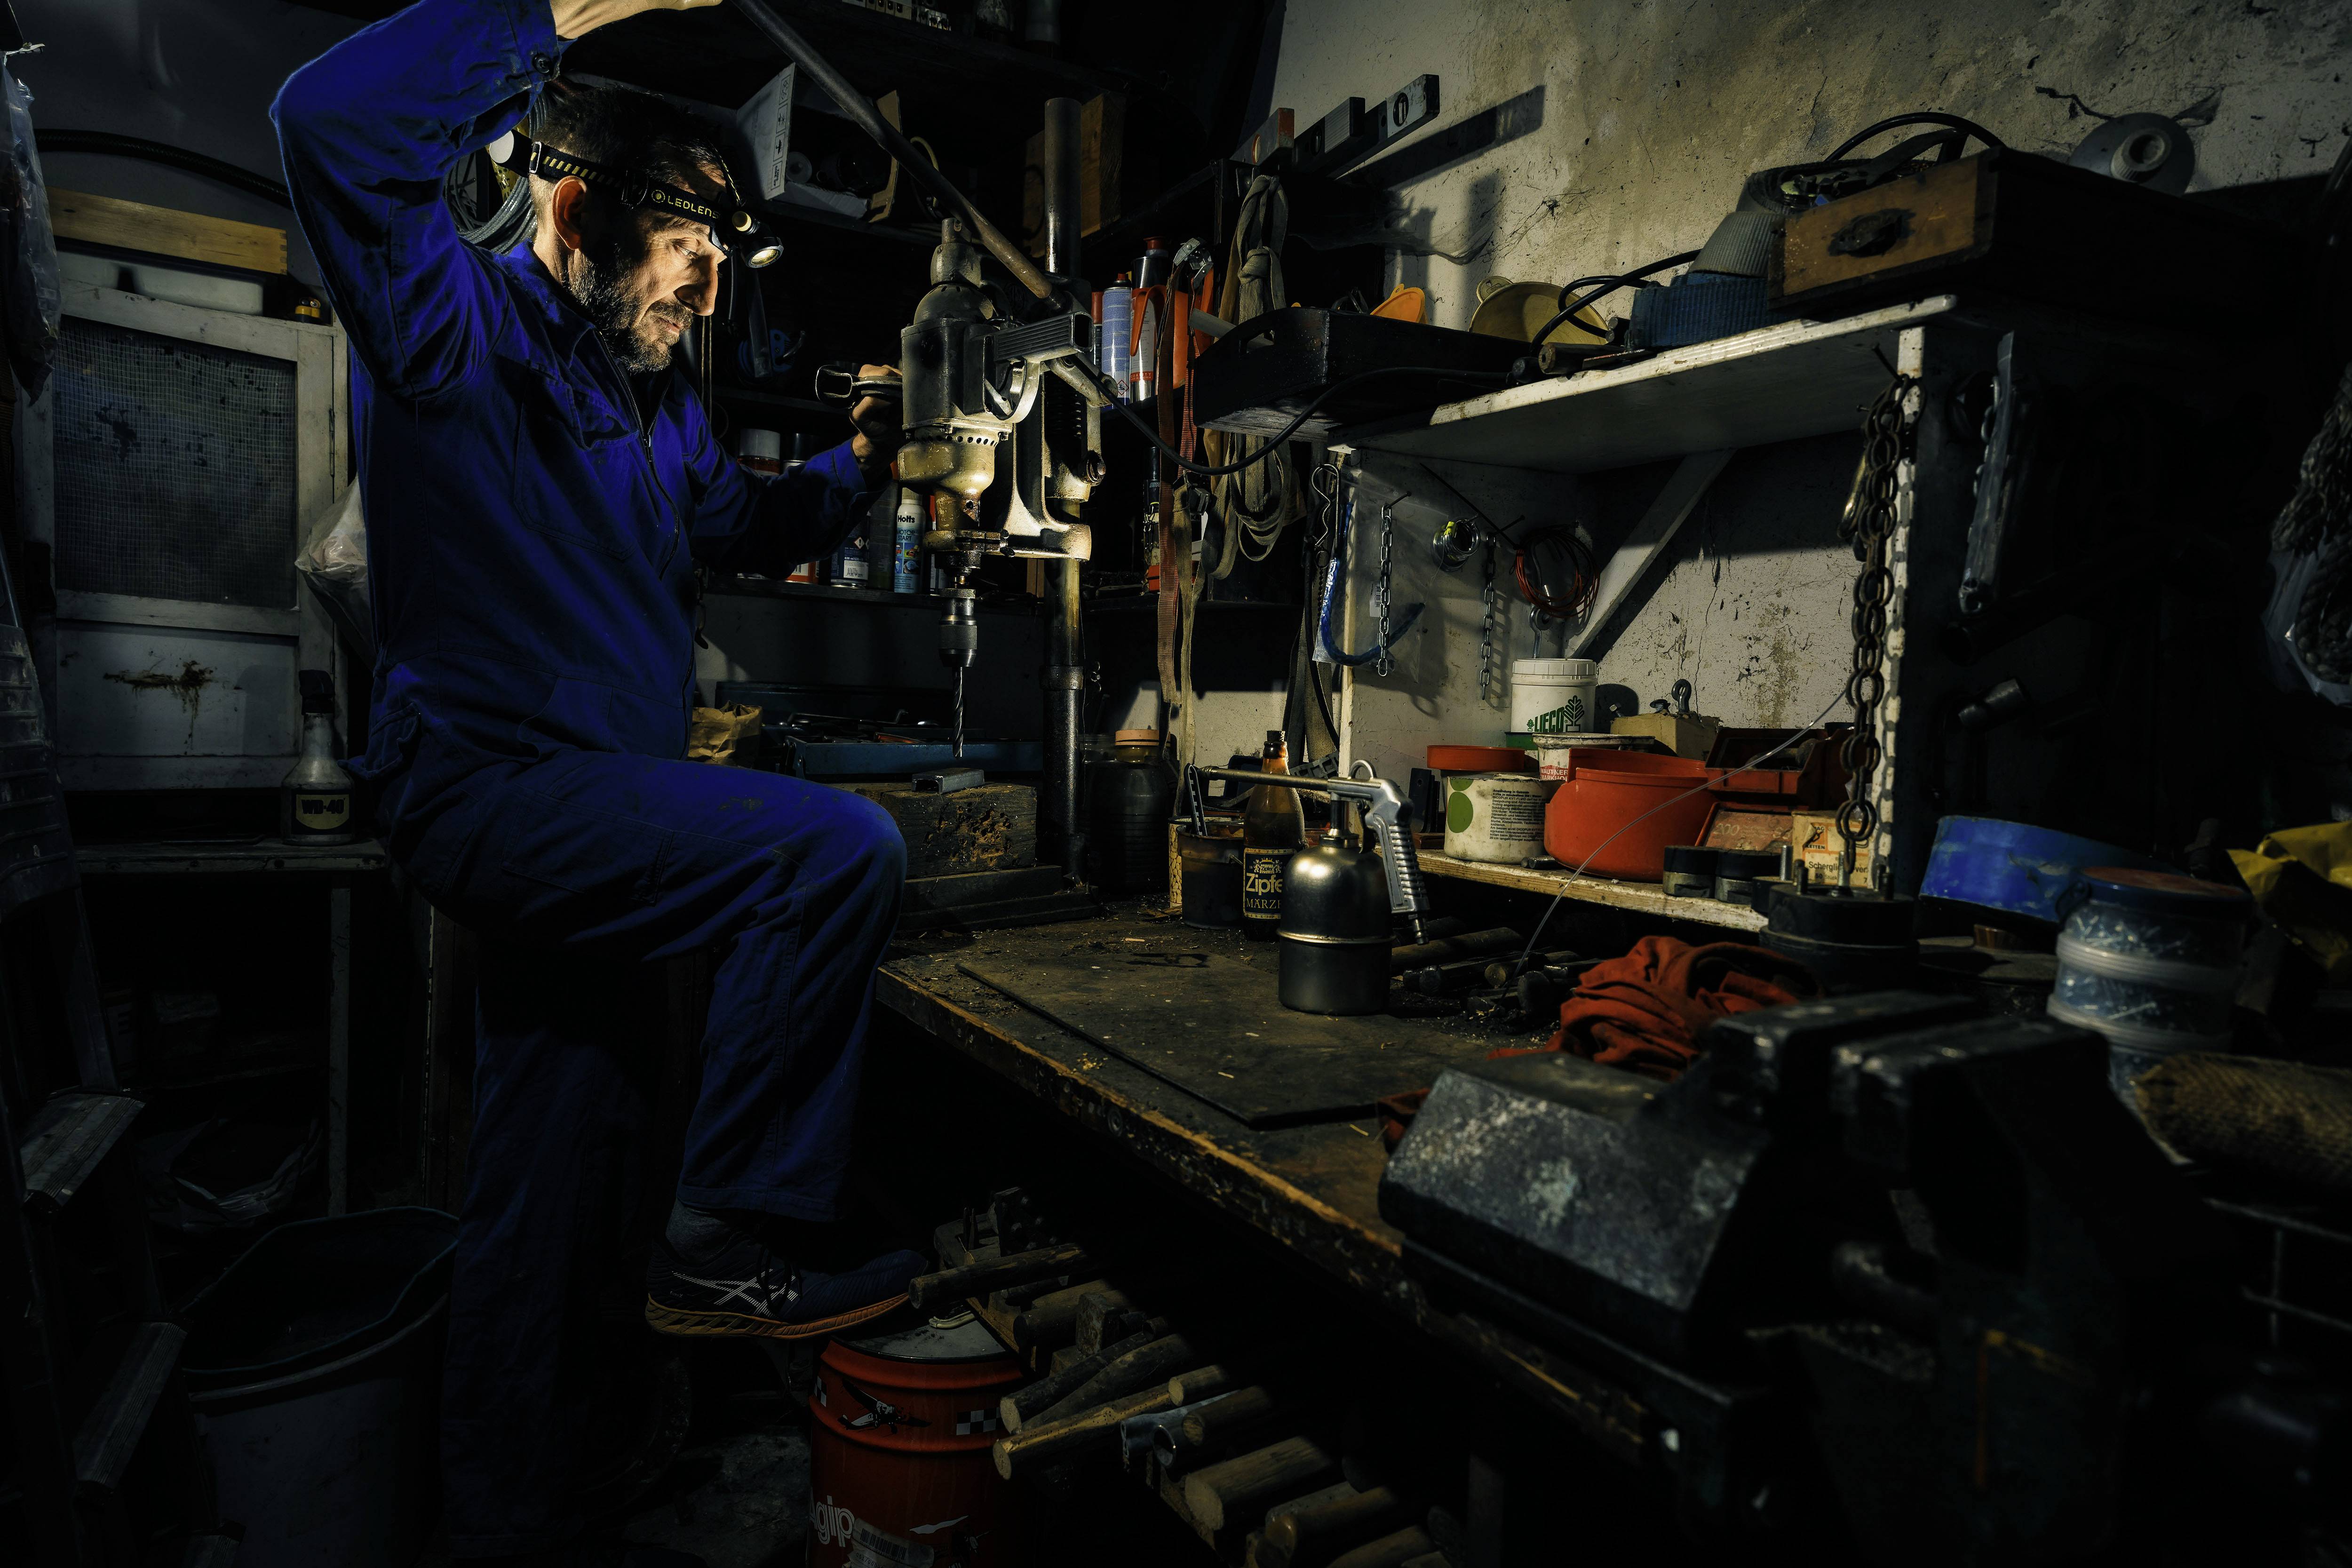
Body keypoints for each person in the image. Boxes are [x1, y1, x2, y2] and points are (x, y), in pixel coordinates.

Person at [274, 0, 923, 1559]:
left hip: (599, 825)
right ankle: (741, 1241)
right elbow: (326, 127)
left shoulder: (656, 407)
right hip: (491, 789)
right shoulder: (452, 325)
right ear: (581, 213)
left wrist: (864, 459)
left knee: (560, 1184)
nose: (706, 297)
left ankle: (522, 1512)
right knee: (832, 854)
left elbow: (742, 529)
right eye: (692, 255)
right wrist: (549, 9)